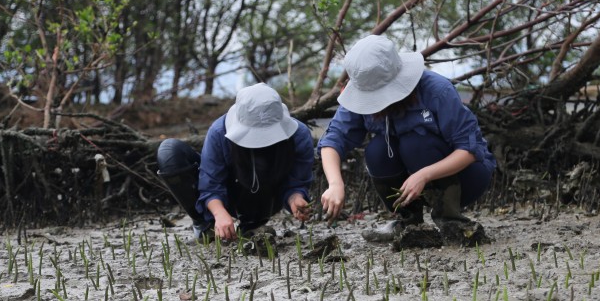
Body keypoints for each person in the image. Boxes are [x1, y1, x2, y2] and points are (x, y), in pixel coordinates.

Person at [317, 34, 495, 243]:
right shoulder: (362, 88)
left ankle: (451, 222)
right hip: (409, 183)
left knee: (416, 144)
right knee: (376, 150)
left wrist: (424, 175)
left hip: (467, 176)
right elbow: (332, 140)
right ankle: (409, 222)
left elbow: (469, 150)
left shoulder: (437, 90)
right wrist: (335, 184)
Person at [156, 82, 314, 241]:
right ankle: (206, 224)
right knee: (168, 151)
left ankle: (253, 223)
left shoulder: (299, 135)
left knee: (261, 163)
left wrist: (296, 198)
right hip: (232, 191)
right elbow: (210, 183)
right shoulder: (219, 132)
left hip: (268, 195)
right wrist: (219, 213)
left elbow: (297, 181)